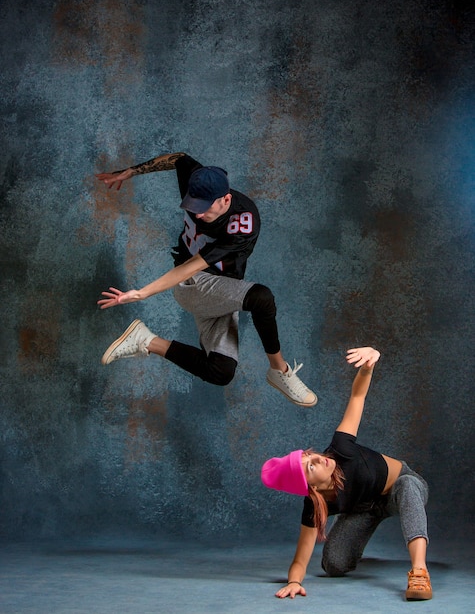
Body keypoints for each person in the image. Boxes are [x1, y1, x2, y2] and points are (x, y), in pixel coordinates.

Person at [96, 152, 317, 407]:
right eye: (194, 207)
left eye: (204, 209)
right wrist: (131, 171)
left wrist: (142, 292)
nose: (198, 215)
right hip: (193, 284)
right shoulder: (198, 179)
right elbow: (177, 158)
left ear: (226, 199)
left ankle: (146, 340)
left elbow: (195, 264)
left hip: (218, 288)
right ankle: (279, 369)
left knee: (221, 371)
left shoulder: (241, 223)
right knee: (261, 298)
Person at [261, 346, 432, 600]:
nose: (319, 459)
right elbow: (300, 559)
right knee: (333, 564)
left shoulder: (340, 451)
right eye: (311, 466)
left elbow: (357, 398)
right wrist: (295, 582)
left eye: (311, 455)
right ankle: (358, 536)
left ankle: (420, 571)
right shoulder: (314, 505)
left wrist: (368, 366)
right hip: (366, 507)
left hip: (401, 486)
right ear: (312, 489)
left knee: (407, 486)